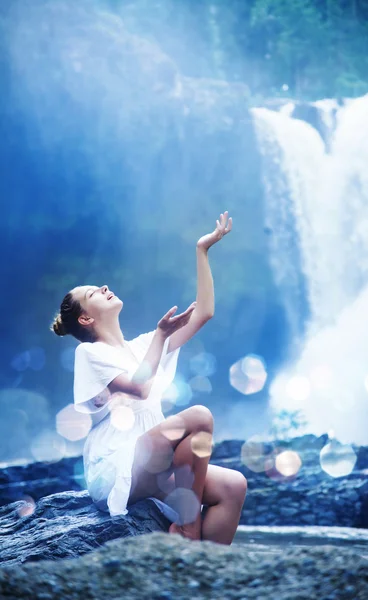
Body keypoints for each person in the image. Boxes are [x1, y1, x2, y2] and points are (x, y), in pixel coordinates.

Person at [51, 211, 247, 544]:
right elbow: (140, 388)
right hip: (118, 465)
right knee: (199, 416)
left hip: (155, 459)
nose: (104, 287)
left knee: (234, 485)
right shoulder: (89, 354)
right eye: (94, 293)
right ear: (85, 319)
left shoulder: (141, 345)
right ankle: (188, 529)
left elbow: (204, 312)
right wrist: (159, 336)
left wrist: (202, 250)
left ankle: (205, 571)